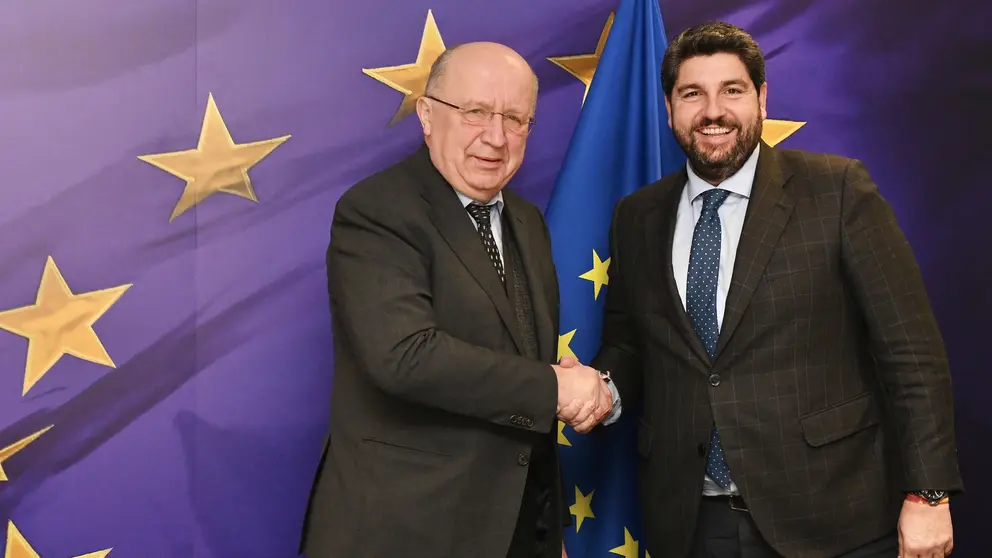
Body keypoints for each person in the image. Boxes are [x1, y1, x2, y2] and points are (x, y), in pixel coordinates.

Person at [590, 21, 962, 558]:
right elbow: (628, 343)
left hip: (834, 516)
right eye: (692, 93)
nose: (712, 111)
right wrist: (600, 387)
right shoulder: (637, 216)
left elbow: (911, 352)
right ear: (669, 107)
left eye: (732, 91)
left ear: (761, 99)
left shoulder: (836, 191)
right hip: (693, 522)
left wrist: (929, 495)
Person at [298, 41, 615, 558]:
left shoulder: (528, 222)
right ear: (426, 115)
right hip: (402, 531)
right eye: (476, 112)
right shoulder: (378, 210)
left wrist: (543, 525)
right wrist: (555, 388)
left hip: (511, 529)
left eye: (516, 119)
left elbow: (518, 365)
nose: (496, 137)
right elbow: (405, 356)